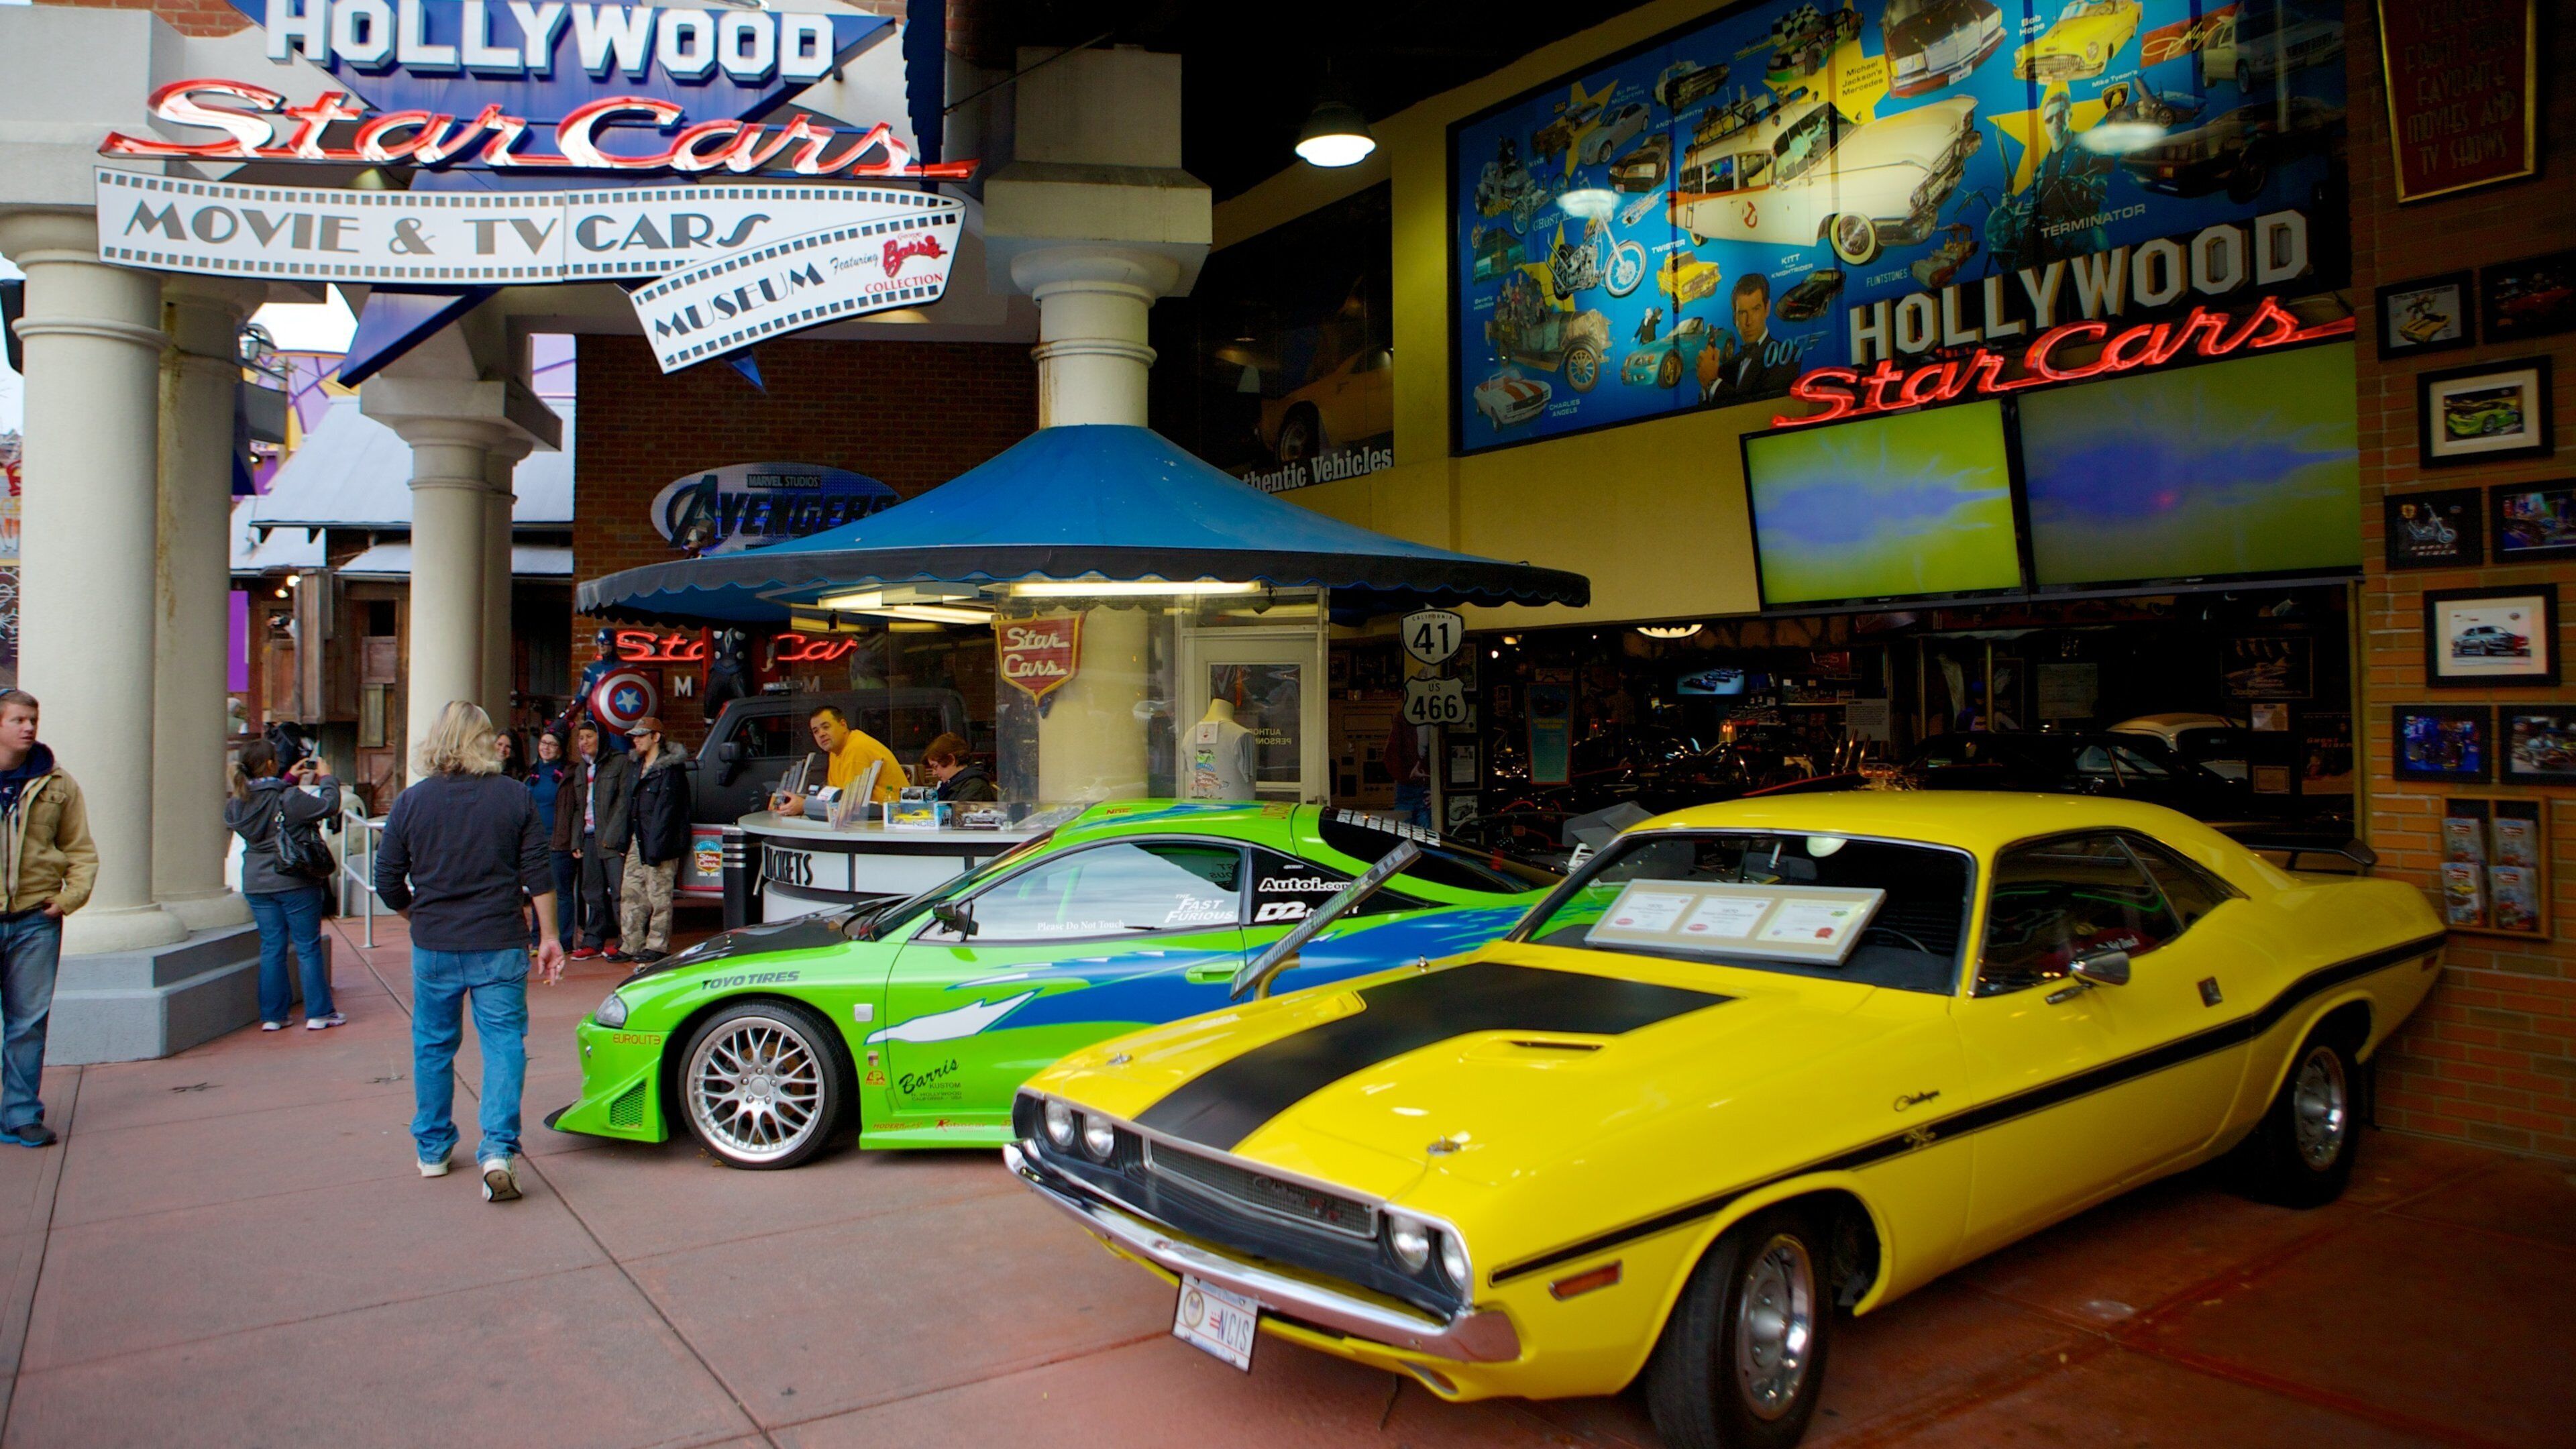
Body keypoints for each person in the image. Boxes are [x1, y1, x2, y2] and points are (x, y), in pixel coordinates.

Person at [376, 700, 564, 1203]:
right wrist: (549, 937)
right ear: (485, 741)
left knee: (433, 1044)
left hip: (435, 942)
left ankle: (433, 1149)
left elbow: (387, 880)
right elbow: (538, 875)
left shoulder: (412, 802)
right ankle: (499, 1150)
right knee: (504, 1044)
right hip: (499, 939)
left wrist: (416, 915)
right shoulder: (514, 797)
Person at [0, 692, 93, 1149]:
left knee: (28, 1021)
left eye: (33, 719)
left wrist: (70, 898)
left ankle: (20, 1114)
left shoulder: (56, 783)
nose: (29, 728)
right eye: (18, 719)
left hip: (34, 920)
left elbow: (80, 849)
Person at [223, 739, 342, 1032]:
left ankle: (273, 1016)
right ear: (269, 765)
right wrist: (327, 778)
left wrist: (288, 777)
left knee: (272, 948)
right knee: (307, 947)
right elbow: (328, 806)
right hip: (294, 880)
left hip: (256, 882)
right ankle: (319, 1013)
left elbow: (265, 804)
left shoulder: (237, 802)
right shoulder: (289, 797)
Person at [552, 720, 634, 961]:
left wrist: (615, 839)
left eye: (589, 737)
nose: (584, 742)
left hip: (611, 839)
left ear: (601, 738)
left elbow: (623, 805)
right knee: (592, 892)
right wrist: (576, 839)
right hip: (588, 838)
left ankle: (626, 941)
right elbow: (579, 807)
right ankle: (593, 941)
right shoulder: (582, 768)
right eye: (581, 738)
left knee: (620, 892)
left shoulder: (619, 763)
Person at [618, 717, 692, 964]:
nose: (636, 740)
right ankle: (631, 943)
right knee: (630, 891)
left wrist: (657, 848)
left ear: (656, 737)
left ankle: (657, 945)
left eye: (641, 735)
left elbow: (669, 813)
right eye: (635, 735)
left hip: (660, 842)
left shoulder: (671, 770)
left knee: (659, 896)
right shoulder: (636, 766)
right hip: (638, 840)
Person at [770, 704, 904, 813]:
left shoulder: (857, 748)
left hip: (888, 821)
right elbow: (833, 797)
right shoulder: (835, 752)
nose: (821, 734)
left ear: (843, 725)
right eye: (816, 731)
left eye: (826, 727)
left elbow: (850, 805)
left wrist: (805, 805)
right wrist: (802, 802)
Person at [1699, 272, 1803, 405]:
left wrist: (1712, 382)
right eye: (1742, 313)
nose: (1749, 322)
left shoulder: (1787, 356)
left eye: (1755, 310)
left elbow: (1756, 410)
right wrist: (1705, 383)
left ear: (1767, 309)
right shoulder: (1726, 369)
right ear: (1734, 317)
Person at [526, 731, 576, 955]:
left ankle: (564, 941)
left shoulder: (569, 773)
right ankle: (538, 939)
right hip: (535, 840)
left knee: (562, 892)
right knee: (539, 888)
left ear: (561, 750)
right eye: (543, 743)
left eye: (552, 745)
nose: (546, 748)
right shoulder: (532, 773)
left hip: (558, 840)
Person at [920, 733, 997, 803]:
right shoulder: (952, 786)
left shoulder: (975, 788)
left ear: (951, 760)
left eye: (935, 767)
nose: (934, 773)